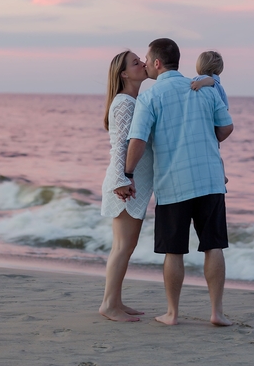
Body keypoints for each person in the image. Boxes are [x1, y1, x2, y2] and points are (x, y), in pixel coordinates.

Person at [115, 38, 233, 326]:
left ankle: (172, 313)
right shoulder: (204, 88)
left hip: (174, 183)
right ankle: (216, 312)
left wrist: (127, 174)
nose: (144, 63)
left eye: (146, 59)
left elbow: (138, 140)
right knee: (213, 246)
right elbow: (225, 129)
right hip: (210, 180)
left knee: (174, 250)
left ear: (157, 63)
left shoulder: (151, 97)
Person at [99, 50, 154, 322]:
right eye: (136, 63)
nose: (143, 64)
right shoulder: (124, 103)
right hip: (125, 184)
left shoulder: (133, 101)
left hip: (131, 182)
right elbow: (120, 144)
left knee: (126, 245)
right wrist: (122, 180)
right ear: (123, 74)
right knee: (122, 246)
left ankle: (116, 301)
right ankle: (109, 305)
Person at [190, 50, 229, 183]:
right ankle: (221, 176)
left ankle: (221, 176)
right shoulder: (215, 84)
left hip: (197, 124)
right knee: (215, 154)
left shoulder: (193, 80)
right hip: (211, 125)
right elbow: (225, 109)